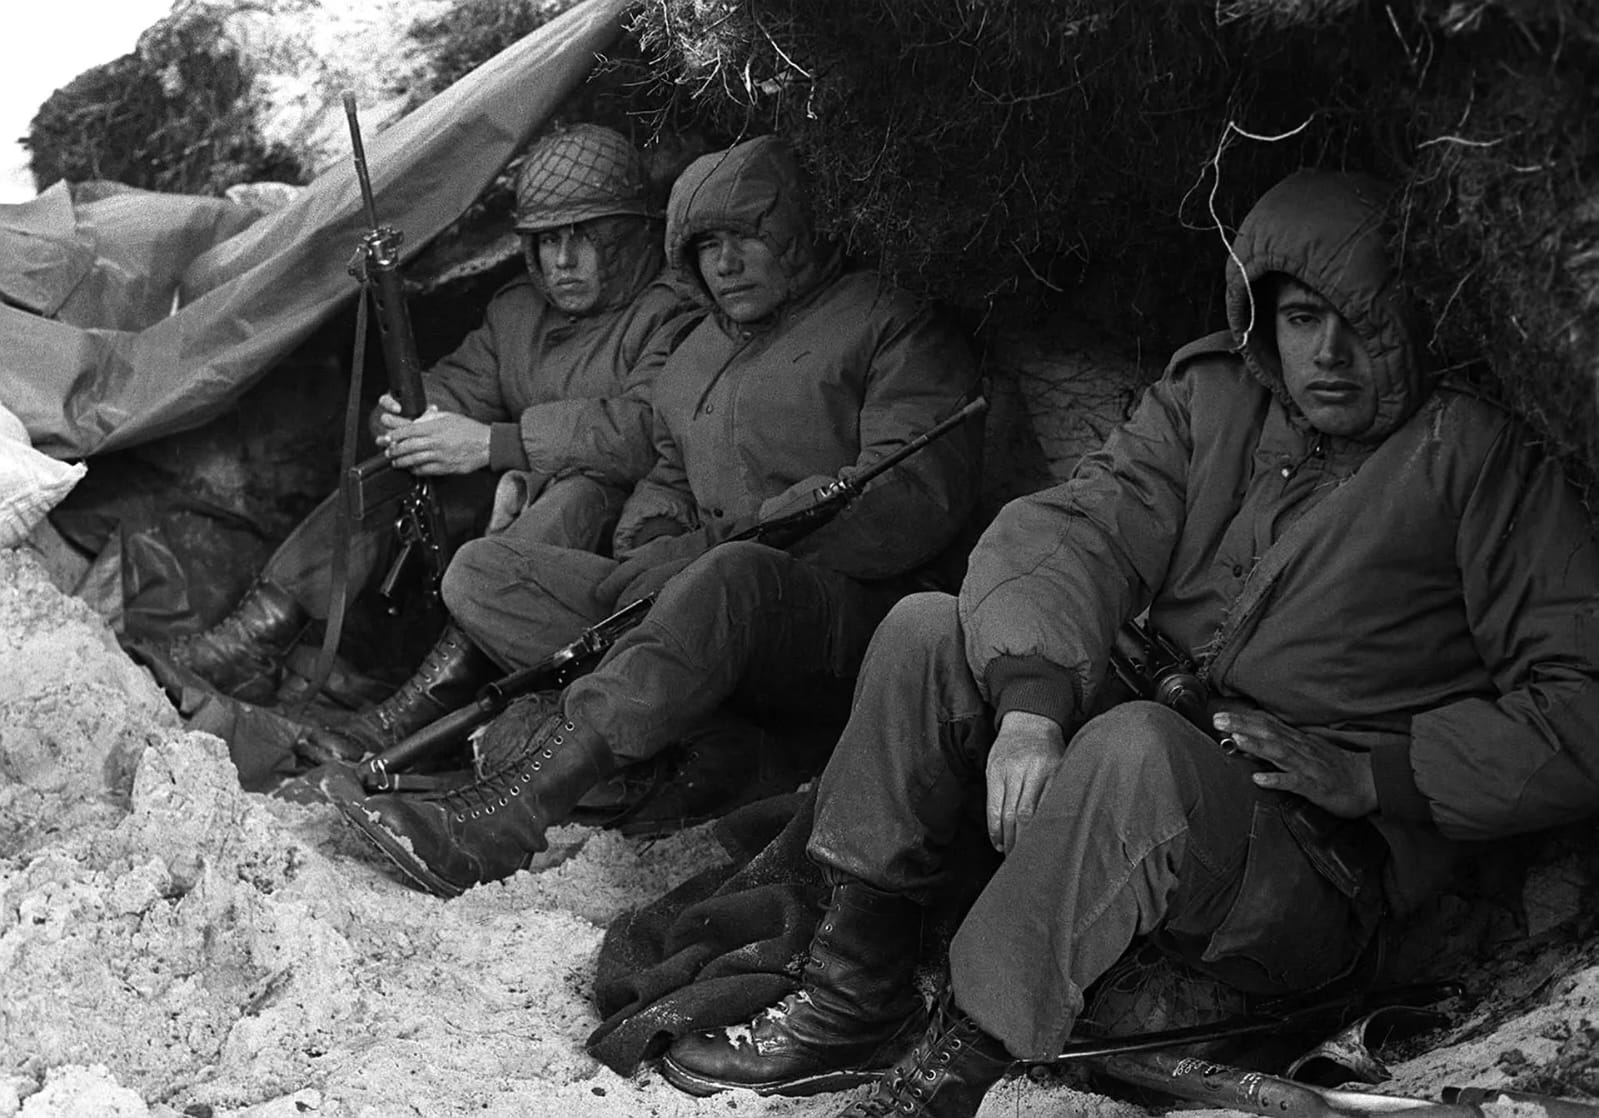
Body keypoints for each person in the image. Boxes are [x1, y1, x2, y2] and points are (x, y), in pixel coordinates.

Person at [655, 169, 1599, 1116]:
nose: (1332, 355)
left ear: (1421, 316)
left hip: (1308, 866)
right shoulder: (1213, 400)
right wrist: (1031, 704)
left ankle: (954, 1071)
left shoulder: (1481, 461)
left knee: (1133, 745)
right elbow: (1077, 529)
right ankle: (853, 991)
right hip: (1153, 752)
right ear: (1261, 322)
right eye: (1303, 319)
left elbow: (1581, 702)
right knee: (924, 631)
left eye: (1370, 322)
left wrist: (1377, 775)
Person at [317, 134, 985, 897]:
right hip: (703, 598)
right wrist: (653, 543)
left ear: (798, 235)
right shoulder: (700, 349)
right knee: (484, 573)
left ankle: (501, 819)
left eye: (745, 239)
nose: (724, 264)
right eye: (704, 247)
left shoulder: (888, 320)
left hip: (850, 622)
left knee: (731, 579)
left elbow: (909, 500)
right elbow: (668, 471)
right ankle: (718, 747)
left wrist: (712, 551)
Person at [154, 124, 692, 744]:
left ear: (628, 237)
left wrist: (494, 446)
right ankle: (255, 636)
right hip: (507, 507)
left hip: (601, 542)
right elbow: (466, 381)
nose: (562, 260)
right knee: (392, 474)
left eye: (585, 237)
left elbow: (645, 431)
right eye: (546, 241)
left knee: (580, 493)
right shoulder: (518, 311)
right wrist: (416, 414)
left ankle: (427, 709)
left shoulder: (670, 312)